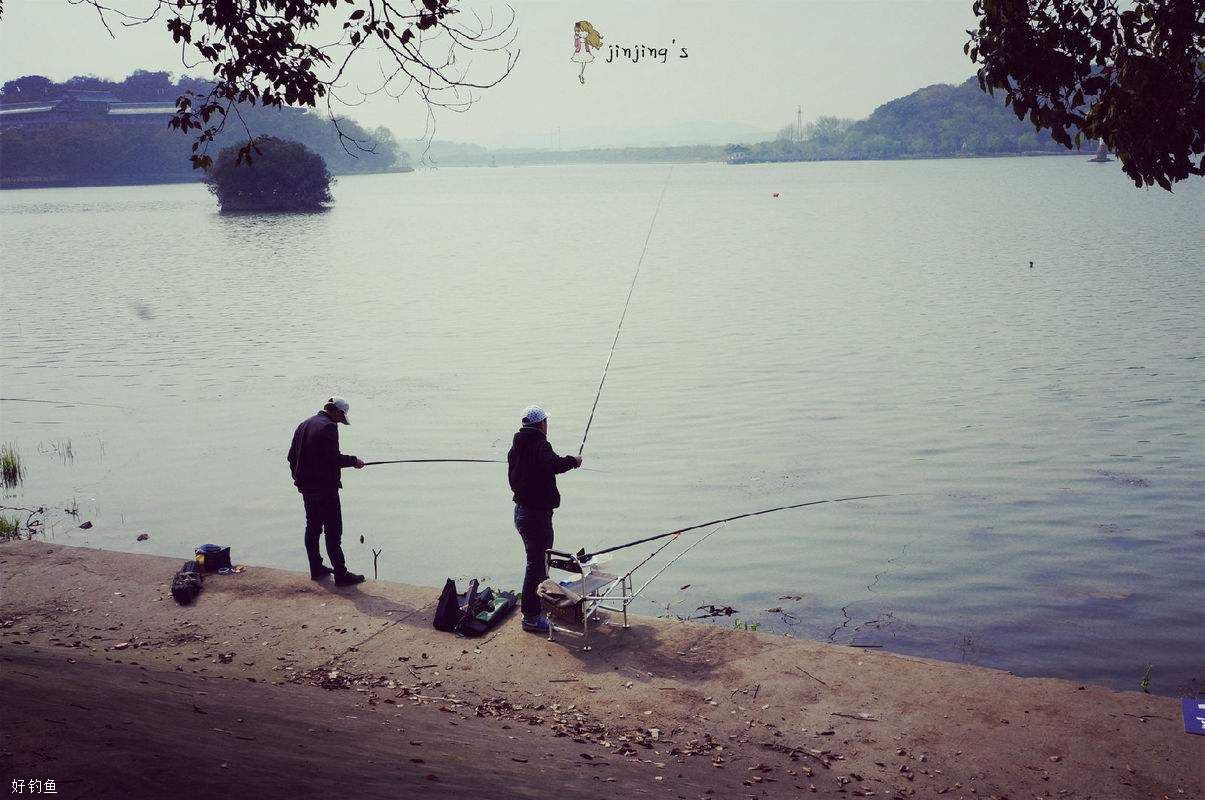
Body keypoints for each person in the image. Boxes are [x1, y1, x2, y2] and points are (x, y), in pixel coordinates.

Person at [507, 405, 582, 633]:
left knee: (536, 563)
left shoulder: (517, 447)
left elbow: (535, 469)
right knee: (537, 565)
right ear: (542, 425)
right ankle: (530, 617)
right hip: (535, 516)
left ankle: (535, 610)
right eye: (546, 422)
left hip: (521, 512)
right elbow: (554, 464)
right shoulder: (540, 444)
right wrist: (574, 460)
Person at [287, 396, 366, 586]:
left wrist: (298, 481)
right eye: (341, 416)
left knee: (312, 528)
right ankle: (341, 574)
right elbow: (333, 458)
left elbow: (291, 457)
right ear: (336, 411)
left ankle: (316, 568)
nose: (341, 420)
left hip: (307, 488)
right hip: (325, 489)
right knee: (333, 531)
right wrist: (354, 461)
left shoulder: (304, 424)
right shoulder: (329, 427)